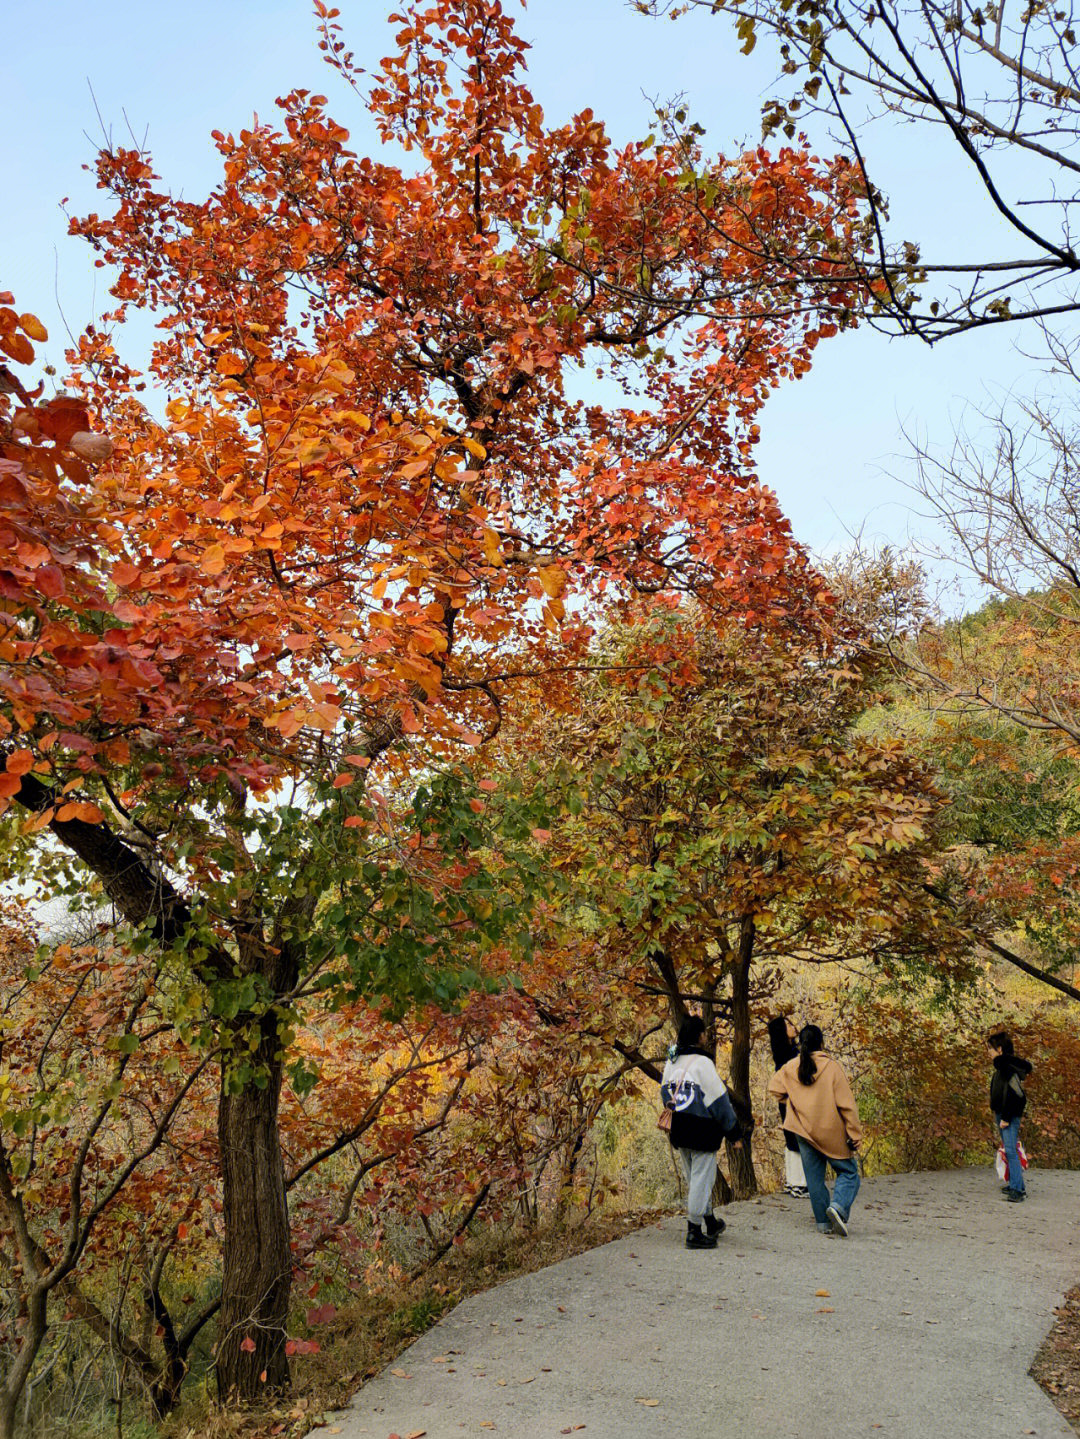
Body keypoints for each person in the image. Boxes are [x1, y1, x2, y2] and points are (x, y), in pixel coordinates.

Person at [768, 1024, 862, 1238]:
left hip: (802, 1130)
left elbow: (774, 1088)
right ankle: (838, 1207)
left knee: (814, 1179)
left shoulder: (791, 1067)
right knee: (849, 1172)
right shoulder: (832, 1068)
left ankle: (822, 1223)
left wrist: (792, 1100)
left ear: (801, 1043)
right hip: (831, 1131)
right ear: (821, 1043)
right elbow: (847, 1106)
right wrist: (855, 1134)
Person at [660, 1015, 744, 1249]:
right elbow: (720, 1102)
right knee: (701, 1180)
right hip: (702, 1130)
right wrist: (734, 1134)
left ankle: (710, 1221)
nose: (707, 1036)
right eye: (705, 1033)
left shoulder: (672, 1061)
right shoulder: (703, 1063)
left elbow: (664, 1093)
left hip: (680, 1127)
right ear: (698, 1036)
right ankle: (694, 1231)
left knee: (696, 1179)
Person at [988, 1031, 1033, 1203]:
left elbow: (1018, 1096)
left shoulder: (1006, 1067)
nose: (988, 1052)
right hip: (1002, 1113)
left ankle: (1018, 1191)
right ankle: (1016, 1184)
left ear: (999, 1049)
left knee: (1011, 1151)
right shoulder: (1002, 1066)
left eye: (990, 1048)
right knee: (1009, 1149)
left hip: (1008, 1115)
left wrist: (1006, 1117)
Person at [766, 1015, 808, 1198]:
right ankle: (799, 1183)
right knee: (797, 1136)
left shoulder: (783, 1053)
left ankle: (793, 1181)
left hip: (786, 1101)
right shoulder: (790, 1056)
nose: (793, 1026)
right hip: (793, 1100)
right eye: (788, 1025)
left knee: (790, 1136)